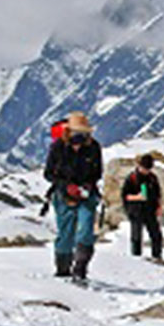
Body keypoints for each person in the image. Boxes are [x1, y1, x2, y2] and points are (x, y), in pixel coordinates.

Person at [44, 111, 103, 282]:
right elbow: (48, 173)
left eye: (83, 134)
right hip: (63, 195)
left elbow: (97, 173)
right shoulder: (58, 148)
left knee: (86, 229)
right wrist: (65, 186)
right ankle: (63, 270)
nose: (80, 137)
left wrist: (87, 185)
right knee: (66, 234)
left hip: (87, 194)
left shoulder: (93, 148)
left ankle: (80, 269)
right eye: (77, 133)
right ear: (68, 132)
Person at [121, 154, 163, 260]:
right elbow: (125, 196)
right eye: (144, 168)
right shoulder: (132, 178)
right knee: (136, 235)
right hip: (136, 210)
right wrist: (137, 197)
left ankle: (157, 256)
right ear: (139, 166)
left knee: (156, 234)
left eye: (148, 168)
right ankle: (136, 258)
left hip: (150, 209)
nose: (146, 171)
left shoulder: (153, 178)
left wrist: (158, 207)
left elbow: (158, 194)